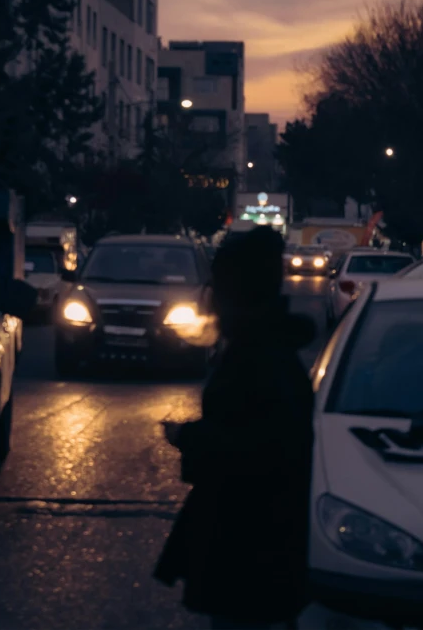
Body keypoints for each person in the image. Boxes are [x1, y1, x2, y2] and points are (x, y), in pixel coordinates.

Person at [154, 226, 315, 630]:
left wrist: (189, 438)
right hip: (255, 544)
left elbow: (260, 448)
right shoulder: (260, 349)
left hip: (251, 547)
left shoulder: (260, 357)